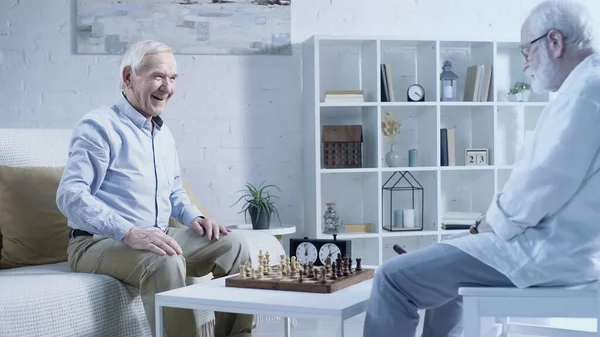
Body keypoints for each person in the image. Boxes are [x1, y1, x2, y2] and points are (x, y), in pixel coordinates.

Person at [363, 1, 600, 336]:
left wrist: (485, 226)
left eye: (526, 52)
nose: (524, 66)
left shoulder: (586, 93)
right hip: (568, 250)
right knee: (448, 255)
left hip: (545, 253)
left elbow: (541, 185)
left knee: (392, 279)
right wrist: (476, 231)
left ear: (555, 42)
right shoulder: (587, 87)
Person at [56, 40, 254, 337]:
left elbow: (174, 192)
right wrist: (129, 232)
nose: (167, 87)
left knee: (234, 246)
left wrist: (194, 219)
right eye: (158, 76)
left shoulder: (162, 133)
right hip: (95, 243)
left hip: (157, 234)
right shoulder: (99, 126)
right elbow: (70, 195)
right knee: (166, 259)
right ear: (128, 77)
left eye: (173, 78)